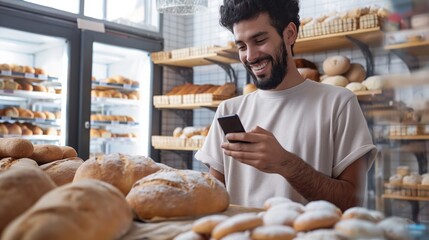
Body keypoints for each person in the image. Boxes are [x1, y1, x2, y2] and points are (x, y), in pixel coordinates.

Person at [194, 0, 377, 212]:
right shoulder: (228, 111)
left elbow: (352, 202)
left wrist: (286, 164)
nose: (250, 56)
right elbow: (214, 199)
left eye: (260, 40)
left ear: (289, 33)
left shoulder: (338, 103)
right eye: (242, 46)